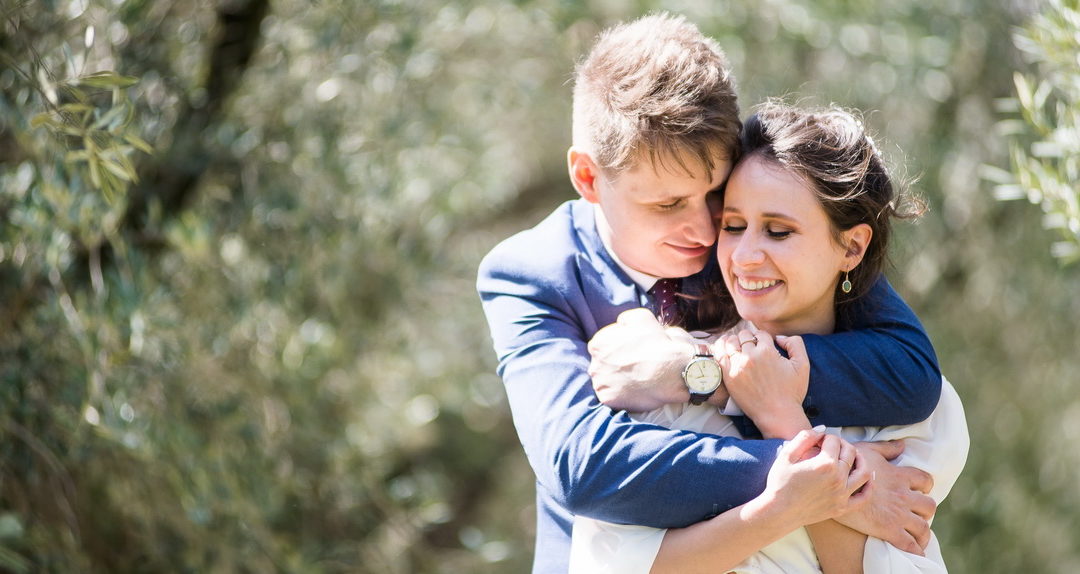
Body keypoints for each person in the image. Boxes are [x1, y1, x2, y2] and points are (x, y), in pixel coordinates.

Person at [476, 13, 941, 573]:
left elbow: (910, 372)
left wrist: (702, 372)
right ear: (590, 179)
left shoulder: (754, 221)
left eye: (714, 194)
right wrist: (829, 478)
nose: (706, 230)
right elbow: (585, 467)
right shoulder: (530, 274)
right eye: (667, 205)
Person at [572, 102, 968, 573]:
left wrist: (782, 417)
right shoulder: (662, 368)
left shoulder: (926, 415)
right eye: (733, 226)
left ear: (852, 246)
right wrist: (799, 498)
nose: (745, 255)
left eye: (778, 231)